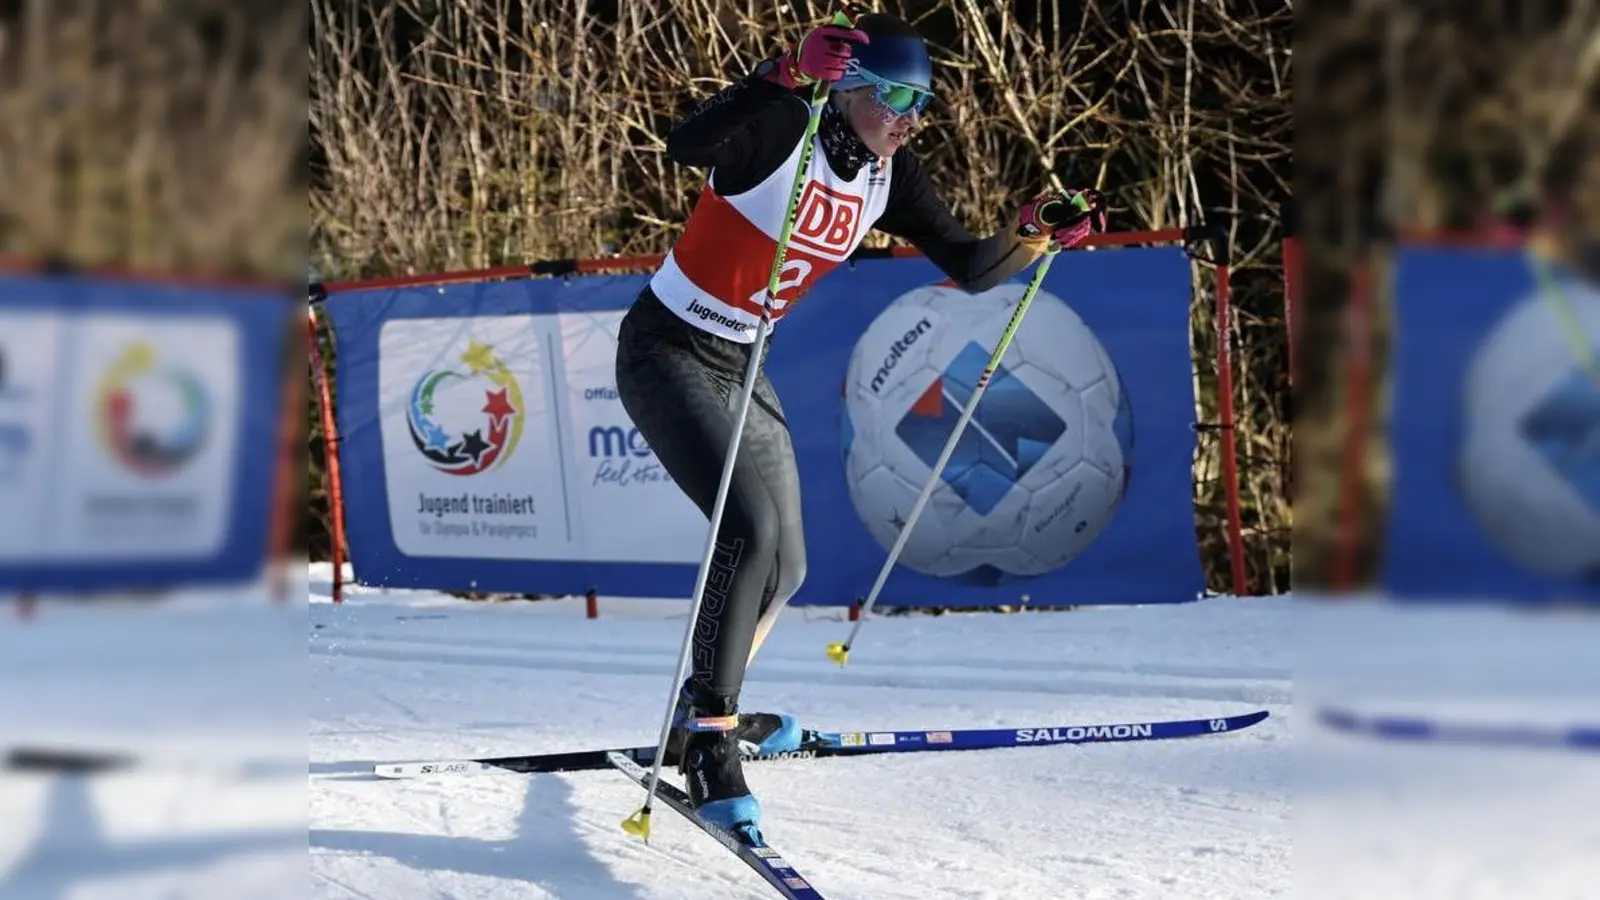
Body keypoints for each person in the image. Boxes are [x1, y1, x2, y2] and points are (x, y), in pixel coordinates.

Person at [614, 11, 1106, 844]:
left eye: (924, 101)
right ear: (848, 87)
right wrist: (780, 73)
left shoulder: (890, 175)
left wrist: (1030, 234)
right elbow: (686, 147)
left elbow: (973, 266)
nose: (912, 118)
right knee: (752, 529)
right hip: (667, 348)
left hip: (738, 361)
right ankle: (709, 746)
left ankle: (704, 715)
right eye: (897, 98)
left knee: (789, 566)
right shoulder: (784, 128)